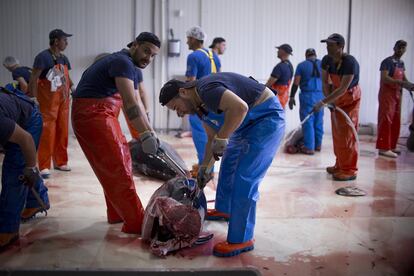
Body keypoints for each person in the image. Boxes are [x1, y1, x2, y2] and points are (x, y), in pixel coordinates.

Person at [159, 72, 285, 257]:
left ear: (183, 92)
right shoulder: (199, 106)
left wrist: (223, 137)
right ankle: (224, 209)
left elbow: (240, 108)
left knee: (245, 177)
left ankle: (242, 238)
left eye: (176, 107)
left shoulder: (206, 89)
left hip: (266, 119)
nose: (179, 113)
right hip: (243, 126)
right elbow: (211, 138)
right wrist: (205, 167)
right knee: (228, 166)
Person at [71, 32, 160, 234]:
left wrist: (151, 133)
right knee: (117, 166)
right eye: (146, 51)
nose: (149, 57)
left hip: (101, 114)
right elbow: (130, 105)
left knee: (122, 162)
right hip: (91, 115)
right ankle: (136, 223)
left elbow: (137, 103)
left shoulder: (130, 65)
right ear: (135, 45)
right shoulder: (122, 63)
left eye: (153, 55)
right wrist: (144, 135)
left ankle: (118, 213)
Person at [0, 85, 50, 249]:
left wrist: (31, 168)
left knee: (15, 172)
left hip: (29, 121)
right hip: (14, 113)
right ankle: (37, 200)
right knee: (20, 171)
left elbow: (26, 139)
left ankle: (8, 231)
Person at [314, 33, 361, 181]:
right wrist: (329, 101)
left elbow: (343, 89)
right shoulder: (327, 61)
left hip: (350, 99)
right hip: (336, 98)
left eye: (331, 45)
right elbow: (325, 83)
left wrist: (323, 102)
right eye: (327, 44)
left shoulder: (349, 62)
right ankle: (340, 164)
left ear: (340, 46)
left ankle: (349, 170)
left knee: (347, 134)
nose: (327, 47)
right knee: (337, 133)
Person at [28, 29, 74, 178]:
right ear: (56, 41)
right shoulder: (42, 57)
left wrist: (73, 87)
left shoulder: (64, 58)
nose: (66, 43)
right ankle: (44, 165)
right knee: (47, 131)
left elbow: (67, 77)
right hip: (48, 101)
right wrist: (33, 97)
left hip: (64, 100)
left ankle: (60, 161)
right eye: (64, 40)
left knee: (62, 129)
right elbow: (34, 78)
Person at [185, 26, 221, 167]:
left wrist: (187, 103)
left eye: (188, 39)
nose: (187, 42)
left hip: (199, 101)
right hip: (215, 100)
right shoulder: (214, 55)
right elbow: (220, 76)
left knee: (200, 136)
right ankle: (207, 165)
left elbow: (190, 81)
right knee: (210, 135)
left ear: (194, 39)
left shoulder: (193, 56)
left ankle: (204, 167)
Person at [376, 40, 414, 158]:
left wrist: (410, 85)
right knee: (386, 120)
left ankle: (392, 145)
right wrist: (400, 82)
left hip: (398, 94)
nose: (401, 50)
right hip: (387, 94)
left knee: (396, 120)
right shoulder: (387, 62)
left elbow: (404, 78)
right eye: (399, 48)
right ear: (394, 48)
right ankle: (383, 148)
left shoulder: (401, 63)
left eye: (403, 48)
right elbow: (385, 78)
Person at [288, 48, 324, 154]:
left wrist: (292, 97)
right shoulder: (323, 64)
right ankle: (318, 145)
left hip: (307, 96)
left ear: (306, 55)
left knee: (308, 121)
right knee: (318, 121)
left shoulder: (302, 65)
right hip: (321, 96)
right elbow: (329, 81)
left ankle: (309, 147)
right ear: (315, 55)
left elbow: (296, 82)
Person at [266, 44, 294, 109]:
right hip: (283, 99)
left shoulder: (280, 67)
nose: (277, 51)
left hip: (275, 100)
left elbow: (268, 85)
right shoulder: (290, 66)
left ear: (283, 51)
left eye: (279, 50)